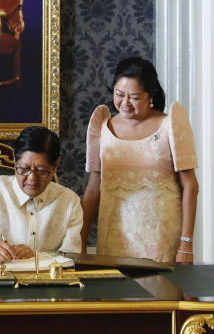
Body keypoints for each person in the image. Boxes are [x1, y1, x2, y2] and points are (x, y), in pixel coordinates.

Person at [81, 56, 199, 264]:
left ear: (150, 95)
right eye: (119, 94)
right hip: (113, 237)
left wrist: (186, 244)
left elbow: (190, 186)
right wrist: (80, 239)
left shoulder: (170, 125)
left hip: (160, 239)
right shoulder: (102, 127)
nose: (125, 103)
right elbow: (93, 189)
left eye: (134, 97)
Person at [0, 126, 83, 262]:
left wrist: (36, 257)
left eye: (41, 171)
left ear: (56, 165)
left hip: (48, 282)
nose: (32, 178)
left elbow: (71, 256)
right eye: (24, 169)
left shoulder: (69, 201)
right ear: (14, 161)